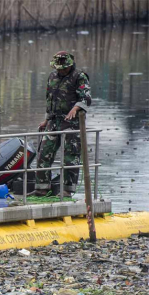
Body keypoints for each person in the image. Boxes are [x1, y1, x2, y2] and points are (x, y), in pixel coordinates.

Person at [34, 51, 92, 197]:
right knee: (44, 153)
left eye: (63, 68)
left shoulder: (79, 77)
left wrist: (75, 108)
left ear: (70, 66)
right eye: (58, 68)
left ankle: (67, 190)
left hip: (71, 122)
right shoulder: (52, 76)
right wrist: (46, 119)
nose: (60, 70)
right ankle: (42, 187)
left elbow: (86, 98)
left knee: (70, 157)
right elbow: (50, 100)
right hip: (54, 121)